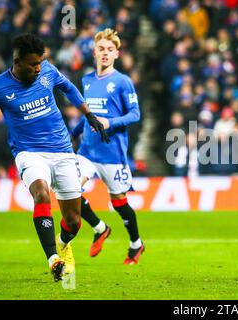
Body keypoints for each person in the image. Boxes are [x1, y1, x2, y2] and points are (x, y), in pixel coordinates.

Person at [0, 34, 109, 282]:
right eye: (32, 64)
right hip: (29, 153)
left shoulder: (47, 70)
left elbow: (68, 88)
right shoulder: (0, 88)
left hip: (62, 151)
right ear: (17, 61)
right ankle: (52, 259)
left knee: (73, 221)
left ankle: (62, 242)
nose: (37, 68)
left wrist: (89, 115)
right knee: (42, 195)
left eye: (39, 63)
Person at [72, 28, 144, 264]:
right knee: (70, 189)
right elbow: (87, 116)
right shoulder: (87, 81)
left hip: (112, 154)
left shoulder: (123, 82)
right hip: (87, 151)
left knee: (119, 202)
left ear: (117, 54)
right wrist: (72, 134)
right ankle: (100, 227)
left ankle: (136, 244)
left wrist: (109, 122)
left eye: (110, 50)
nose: (105, 53)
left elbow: (135, 114)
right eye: (101, 49)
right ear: (94, 52)